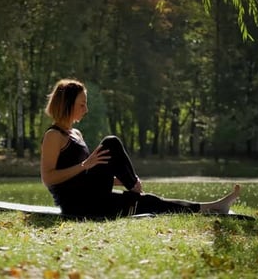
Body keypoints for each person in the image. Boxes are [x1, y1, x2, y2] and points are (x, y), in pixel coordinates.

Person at [40, 78, 241, 218]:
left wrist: (118, 180)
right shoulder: (53, 136)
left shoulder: (76, 134)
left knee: (149, 202)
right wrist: (85, 165)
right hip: (77, 205)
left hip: (93, 198)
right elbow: (48, 178)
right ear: (67, 104)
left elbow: (87, 176)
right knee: (111, 142)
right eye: (82, 104)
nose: (86, 109)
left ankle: (209, 208)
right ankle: (133, 184)